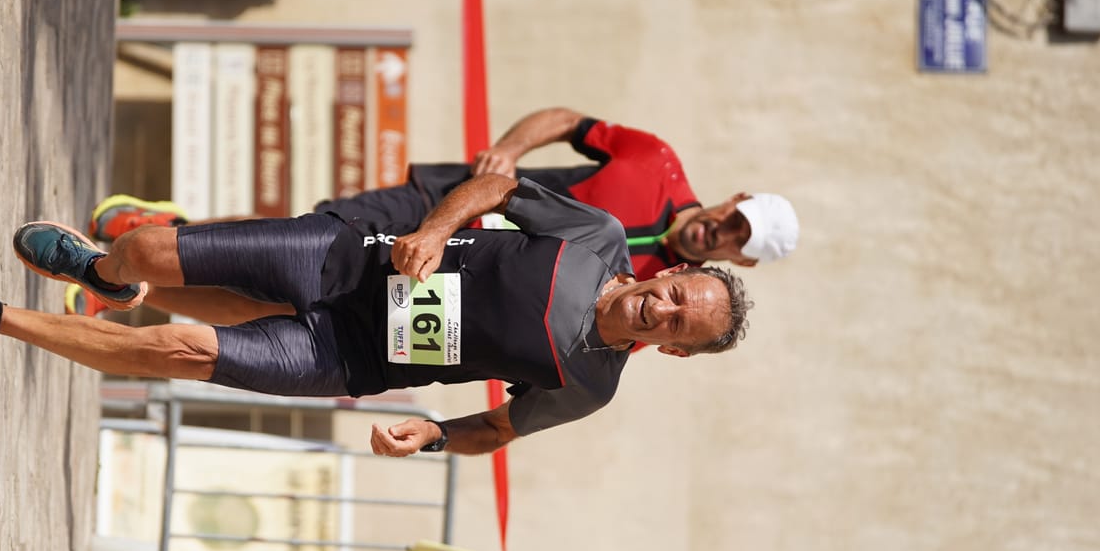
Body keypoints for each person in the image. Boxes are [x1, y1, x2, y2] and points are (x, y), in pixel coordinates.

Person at [0, 173, 752, 456]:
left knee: (178, 350)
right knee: (147, 252)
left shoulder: (589, 381)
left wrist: (430, 435)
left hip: (350, 355)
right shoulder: (596, 237)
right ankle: (109, 274)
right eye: (679, 294)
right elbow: (497, 186)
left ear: (673, 353)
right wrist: (435, 228)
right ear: (673, 271)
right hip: (349, 254)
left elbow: (499, 429)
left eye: (679, 325)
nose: (665, 309)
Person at [74, 107, 798, 326]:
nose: (722, 233)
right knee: (304, 241)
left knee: (282, 305)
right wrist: (506, 153)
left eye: (738, 244)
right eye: (736, 218)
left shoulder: (658, 298)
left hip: (453, 283)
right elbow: (564, 117)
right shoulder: (657, 160)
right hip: (437, 209)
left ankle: (141, 289)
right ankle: (168, 231)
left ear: (740, 262)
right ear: (734, 197)